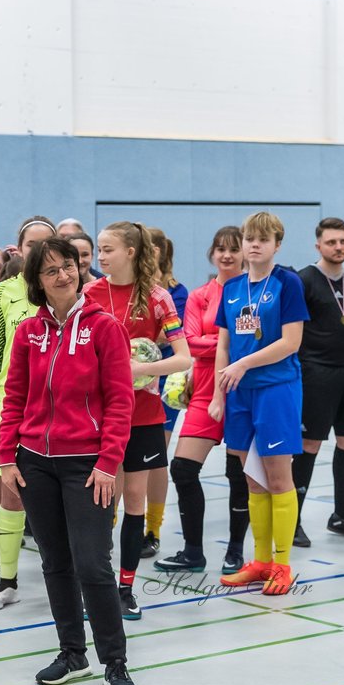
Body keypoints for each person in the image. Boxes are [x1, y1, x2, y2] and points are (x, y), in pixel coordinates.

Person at [0, 235, 140, 685]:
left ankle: (114, 661)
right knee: (55, 563)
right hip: (34, 463)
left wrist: (108, 463)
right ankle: (72, 652)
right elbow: (13, 397)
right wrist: (6, 456)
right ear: (37, 280)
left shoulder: (104, 327)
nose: (64, 275)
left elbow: (121, 401)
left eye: (70, 266)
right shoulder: (28, 332)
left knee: (93, 564)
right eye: (51, 270)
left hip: (88, 465)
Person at [84, 222, 190, 620]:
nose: (99, 256)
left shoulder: (157, 297)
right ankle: (96, 587)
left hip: (143, 417)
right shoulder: (89, 295)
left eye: (107, 249)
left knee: (133, 504)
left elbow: (184, 357)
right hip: (95, 416)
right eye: (98, 249)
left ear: (130, 251)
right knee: (97, 504)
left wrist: (138, 368)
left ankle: (125, 588)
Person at [210, 212, 308, 596]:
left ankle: (282, 564)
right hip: (238, 394)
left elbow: (290, 343)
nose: (254, 245)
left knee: (278, 477)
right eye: (250, 238)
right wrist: (219, 393)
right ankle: (261, 560)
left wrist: (243, 364)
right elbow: (222, 343)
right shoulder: (232, 287)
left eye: (264, 240)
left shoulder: (287, 283)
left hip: (276, 389)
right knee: (252, 480)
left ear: (277, 245)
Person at [0, 216, 57, 611]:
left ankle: (69, 580)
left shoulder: (70, 289)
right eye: (31, 245)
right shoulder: (2, 292)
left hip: (61, 407)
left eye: (47, 244)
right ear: (18, 249)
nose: (38, 252)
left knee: (61, 499)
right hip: (12, 404)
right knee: (11, 495)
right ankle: (7, 581)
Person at [154, 227, 251, 574]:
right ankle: (193, 551)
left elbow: (253, 344)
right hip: (205, 389)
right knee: (182, 468)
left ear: (245, 253)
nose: (227, 255)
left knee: (238, 473)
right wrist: (224, 342)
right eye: (220, 249)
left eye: (234, 249)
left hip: (242, 388)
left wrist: (217, 340)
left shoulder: (252, 292)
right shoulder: (199, 295)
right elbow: (190, 342)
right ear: (212, 253)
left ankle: (236, 550)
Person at [291, 218, 344, 545]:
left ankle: (342, 515)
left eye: (343, 241)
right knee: (310, 443)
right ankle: (293, 519)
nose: (338, 247)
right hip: (315, 371)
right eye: (331, 242)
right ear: (318, 246)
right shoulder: (304, 280)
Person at [142, 227, 189, 559]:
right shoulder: (124, 290)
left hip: (160, 383)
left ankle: (152, 529)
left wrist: (139, 347)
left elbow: (165, 339)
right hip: (127, 386)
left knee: (156, 457)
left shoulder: (175, 292)